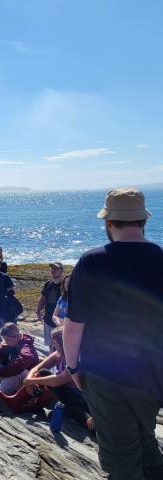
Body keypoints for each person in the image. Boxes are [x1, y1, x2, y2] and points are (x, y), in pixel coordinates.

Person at [64, 188, 163, 480]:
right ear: (143, 221)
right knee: (144, 434)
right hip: (152, 374)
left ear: (109, 223)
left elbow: (72, 328)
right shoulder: (160, 258)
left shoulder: (92, 261)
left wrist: (72, 367)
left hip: (105, 374)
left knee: (121, 460)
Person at [7, 327, 95, 431]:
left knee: (70, 405)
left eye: (54, 342)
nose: (52, 345)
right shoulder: (59, 353)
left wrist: (32, 381)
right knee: (42, 373)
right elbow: (37, 368)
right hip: (66, 392)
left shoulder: (74, 359)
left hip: (79, 395)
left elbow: (58, 380)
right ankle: (20, 400)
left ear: (62, 343)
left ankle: (91, 424)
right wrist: (29, 380)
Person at [36, 262, 64, 349]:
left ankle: (61, 362)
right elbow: (43, 298)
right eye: (52, 269)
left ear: (61, 271)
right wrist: (38, 311)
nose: (53, 270)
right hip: (48, 319)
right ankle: (52, 361)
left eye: (56, 269)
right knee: (50, 344)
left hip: (60, 322)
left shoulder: (65, 285)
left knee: (61, 346)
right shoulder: (48, 284)